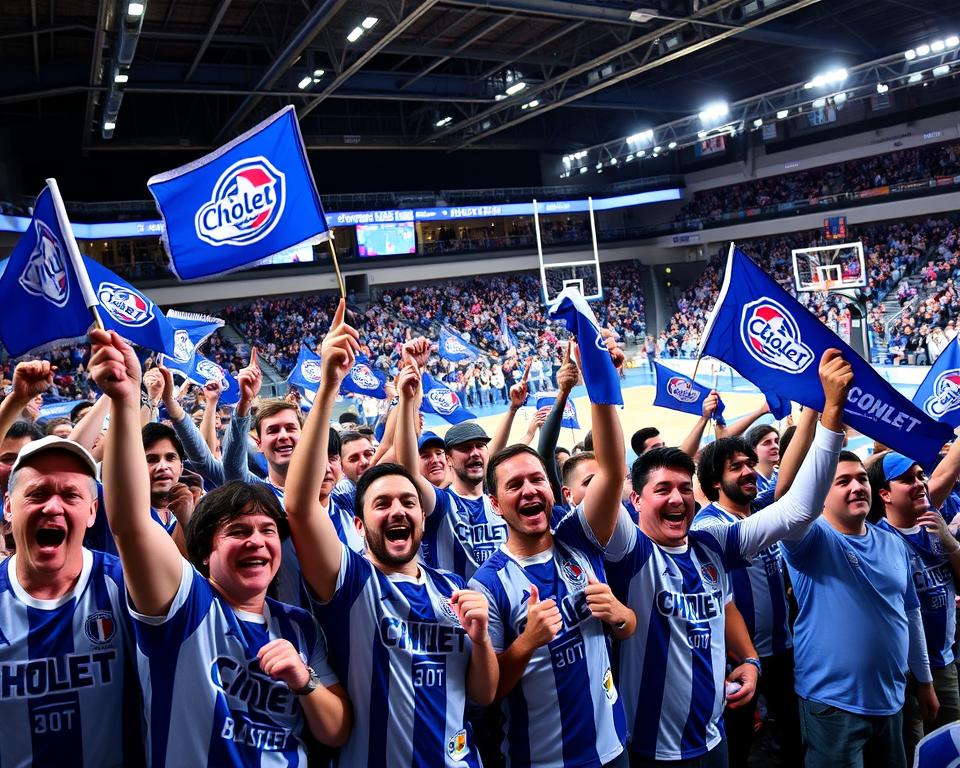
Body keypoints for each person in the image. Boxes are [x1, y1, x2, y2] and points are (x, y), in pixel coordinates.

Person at [89, 328, 351, 765]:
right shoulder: (182, 603)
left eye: (268, 531)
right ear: (205, 550)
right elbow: (131, 523)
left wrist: (305, 682)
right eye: (238, 531)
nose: (257, 541)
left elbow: (338, 728)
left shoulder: (299, 626)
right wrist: (125, 399)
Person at [602, 349, 852, 766]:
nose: (677, 498)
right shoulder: (628, 550)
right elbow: (610, 477)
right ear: (636, 500)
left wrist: (831, 415)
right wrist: (603, 387)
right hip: (647, 748)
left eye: (684, 488)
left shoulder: (712, 545)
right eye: (662, 489)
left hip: (712, 736)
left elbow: (798, 509)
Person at [284, 301, 498, 767]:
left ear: (424, 518)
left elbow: (482, 693)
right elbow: (299, 508)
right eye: (381, 504)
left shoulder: (454, 589)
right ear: (358, 527)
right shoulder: (350, 583)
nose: (397, 510)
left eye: (408, 502)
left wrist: (480, 638)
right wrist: (328, 385)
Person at [469, 335, 634, 768]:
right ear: (495, 504)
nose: (529, 490)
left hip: (613, 750)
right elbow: (487, 692)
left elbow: (614, 471)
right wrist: (526, 643)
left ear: (551, 488)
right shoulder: (487, 584)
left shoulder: (577, 537)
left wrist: (600, 383)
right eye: (514, 485)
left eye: (536, 479)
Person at [782, 446, 938, 768]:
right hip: (834, 706)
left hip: (890, 700)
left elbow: (910, 614)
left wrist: (924, 681)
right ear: (819, 495)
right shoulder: (811, 540)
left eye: (862, 479)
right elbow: (786, 498)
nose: (857, 487)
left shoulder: (892, 542)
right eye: (842, 482)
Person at [0, 434, 142, 766]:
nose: (52, 506)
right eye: (37, 493)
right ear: (8, 506)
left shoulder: (127, 587)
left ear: (93, 512)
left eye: (70, 495)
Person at [693, 423, 803, 768]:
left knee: (793, 739)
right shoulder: (708, 527)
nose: (748, 472)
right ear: (714, 482)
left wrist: (815, 408)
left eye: (749, 464)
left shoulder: (759, 508)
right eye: (736, 467)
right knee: (740, 747)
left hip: (782, 650)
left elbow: (788, 473)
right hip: (736, 660)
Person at [868, 450, 960, 761]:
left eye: (921, 475)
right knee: (914, 754)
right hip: (903, 670)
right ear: (884, 494)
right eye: (907, 479)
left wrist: (952, 544)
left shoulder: (935, 525)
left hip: (944, 660)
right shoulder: (876, 536)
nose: (920, 483)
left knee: (952, 748)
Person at [744, 424, 780, 494]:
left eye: (776, 441)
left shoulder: (782, 474)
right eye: (767, 443)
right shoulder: (749, 481)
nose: (775, 446)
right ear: (752, 450)